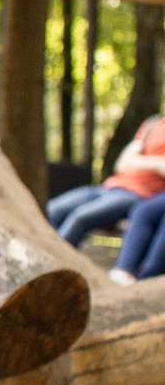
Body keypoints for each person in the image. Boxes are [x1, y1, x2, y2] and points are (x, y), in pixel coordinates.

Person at [48, 112, 165, 281]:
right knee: (53, 209)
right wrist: (157, 164)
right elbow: (122, 163)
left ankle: (51, 266)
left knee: (80, 217)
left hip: (139, 195)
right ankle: (44, 253)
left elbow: (134, 162)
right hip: (109, 187)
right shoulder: (154, 124)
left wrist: (140, 161)